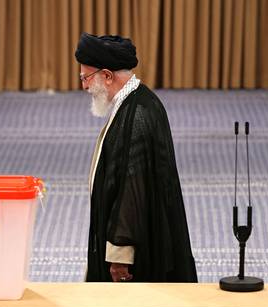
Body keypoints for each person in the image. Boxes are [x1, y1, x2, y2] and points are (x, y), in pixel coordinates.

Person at [75, 32, 197, 283]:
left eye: (86, 78)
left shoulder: (138, 114)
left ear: (107, 76)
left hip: (134, 258)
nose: (84, 86)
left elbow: (132, 190)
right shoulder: (134, 102)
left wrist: (120, 256)